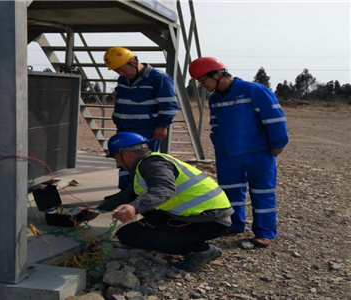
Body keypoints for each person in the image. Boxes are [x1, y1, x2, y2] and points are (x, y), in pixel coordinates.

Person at [85, 132, 234, 272]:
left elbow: (164, 189)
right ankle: (178, 237)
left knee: (129, 235)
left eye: (115, 158)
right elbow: (128, 195)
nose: (118, 162)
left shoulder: (152, 165)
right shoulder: (151, 162)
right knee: (146, 216)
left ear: (125, 154)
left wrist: (133, 207)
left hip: (208, 221)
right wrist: (98, 211)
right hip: (207, 216)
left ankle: (202, 249)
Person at [188, 57, 289, 248]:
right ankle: (234, 224)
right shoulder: (216, 98)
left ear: (218, 74)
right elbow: (215, 125)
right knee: (230, 192)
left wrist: (277, 142)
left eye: (203, 80)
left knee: (262, 192)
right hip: (228, 154)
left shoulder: (254, 91)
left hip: (258, 152)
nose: (202, 85)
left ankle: (265, 232)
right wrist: (219, 146)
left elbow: (275, 118)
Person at [103, 47, 179, 197]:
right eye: (118, 71)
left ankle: (140, 196)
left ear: (134, 62)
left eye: (123, 70)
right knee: (123, 161)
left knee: (142, 163)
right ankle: (124, 194)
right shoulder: (123, 79)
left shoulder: (159, 78)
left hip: (145, 130)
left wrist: (162, 126)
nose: (121, 74)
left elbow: (169, 105)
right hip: (124, 128)